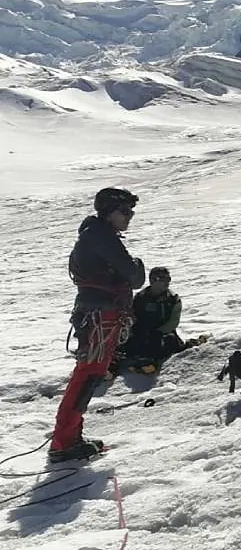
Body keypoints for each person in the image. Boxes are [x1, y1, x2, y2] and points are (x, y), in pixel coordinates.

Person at [50, 187, 145, 462]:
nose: (129, 217)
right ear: (108, 212)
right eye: (124, 212)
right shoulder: (102, 237)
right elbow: (135, 277)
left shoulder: (94, 235)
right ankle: (64, 442)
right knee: (88, 375)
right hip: (101, 316)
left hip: (96, 314)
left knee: (88, 374)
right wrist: (136, 265)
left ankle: (68, 437)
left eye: (131, 212)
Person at [114, 266, 205, 375]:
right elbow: (132, 315)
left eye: (168, 279)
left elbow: (173, 321)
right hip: (143, 331)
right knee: (131, 343)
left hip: (163, 333)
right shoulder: (141, 298)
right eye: (163, 279)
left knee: (164, 343)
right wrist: (135, 328)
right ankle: (115, 364)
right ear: (153, 280)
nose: (167, 283)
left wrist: (159, 331)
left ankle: (149, 362)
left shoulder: (172, 299)